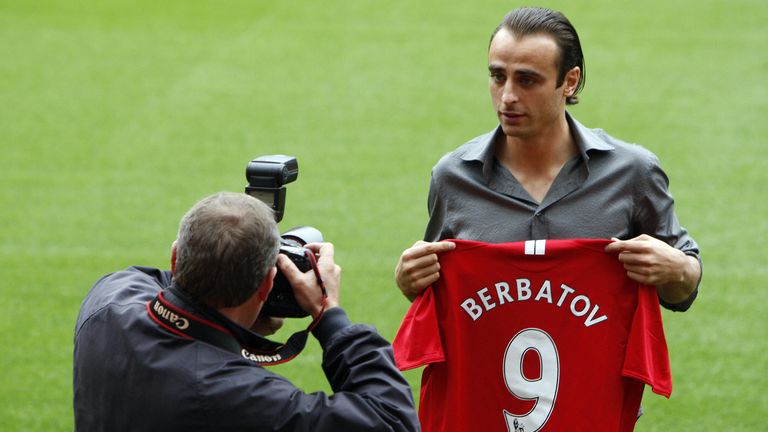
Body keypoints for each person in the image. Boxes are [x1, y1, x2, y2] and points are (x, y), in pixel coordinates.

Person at [395, 6, 701, 311]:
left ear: (569, 81)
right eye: (498, 76)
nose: (507, 96)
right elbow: (443, 298)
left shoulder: (633, 172)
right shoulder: (452, 177)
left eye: (527, 80)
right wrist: (412, 284)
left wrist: (680, 269)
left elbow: (680, 292)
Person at [73, 192, 420, 431]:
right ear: (267, 286)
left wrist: (243, 315)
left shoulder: (109, 298)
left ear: (177, 256)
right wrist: (328, 313)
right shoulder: (238, 396)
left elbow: (181, 290)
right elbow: (392, 420)